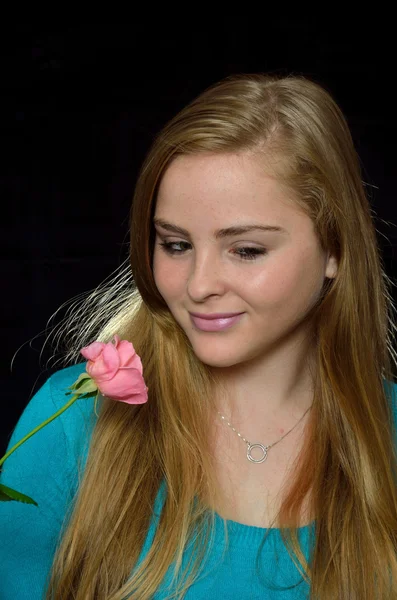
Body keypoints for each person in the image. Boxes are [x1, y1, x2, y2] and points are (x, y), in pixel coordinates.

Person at [1, 72, 397, 600]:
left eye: (246, 249)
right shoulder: (72, 420)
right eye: (176, 245)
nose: (198, 285)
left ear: (335, 251)